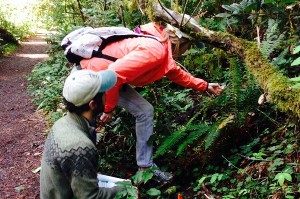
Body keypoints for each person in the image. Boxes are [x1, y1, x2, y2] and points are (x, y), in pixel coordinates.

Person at [80, 22, 223, 183]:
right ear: (180, 44)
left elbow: (174, 73)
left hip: (108, 78)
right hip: (92, 76)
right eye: (187, 48)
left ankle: (145, 169)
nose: (185, 53)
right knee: (87, 123)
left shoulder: (159, 44)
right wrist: (109, 109)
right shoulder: (155, 49)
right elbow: (112, 74)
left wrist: (205, 86)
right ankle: (81, 174)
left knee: (144, 111)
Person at [40, 69, 150, 199]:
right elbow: (89, 198)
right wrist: (125, 190)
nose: (108, 93)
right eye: (103, 92)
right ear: (92, 104)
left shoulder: (64, 124)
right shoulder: (79, 145)